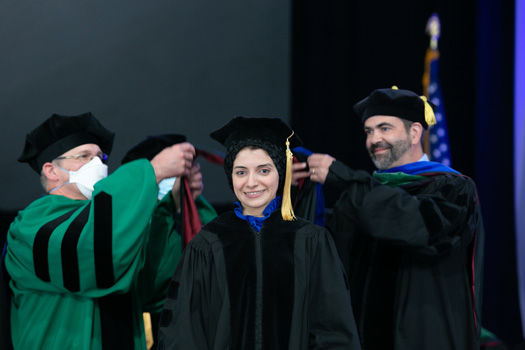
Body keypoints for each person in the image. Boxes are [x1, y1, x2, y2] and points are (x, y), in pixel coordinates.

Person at [294, 86, 485, 349]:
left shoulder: (453, 189)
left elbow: (417, 227)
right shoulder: (366, 194)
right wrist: (295, 191)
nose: (374, 139)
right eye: (369, 131)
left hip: (424, 336)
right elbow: (328, 248)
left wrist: (346, 178)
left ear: (415, 132)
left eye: (385, 128)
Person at [158, 116, 361, 349]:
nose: (251, 182)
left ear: (280, 173)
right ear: (230, 177)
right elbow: (184, 333)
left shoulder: (310, 241)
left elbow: (333, 330)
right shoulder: (207, 243)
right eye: (241, 172)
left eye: (263, 170)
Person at [5, 112, 197, 349]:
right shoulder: (31, 224)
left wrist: (171, 206)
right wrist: (153, 170)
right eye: (84, 156)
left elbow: (153, 289)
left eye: (101, 157)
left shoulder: (111, 220)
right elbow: (93, 250)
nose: (98, 165)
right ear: (51, 171)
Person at [121, 134, 218, 350]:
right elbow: (150, 282)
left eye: (192, 166)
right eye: (181, 169)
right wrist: (169, 205)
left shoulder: (201, 212)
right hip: (157, 332)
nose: (193, 172)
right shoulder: (137, 223)